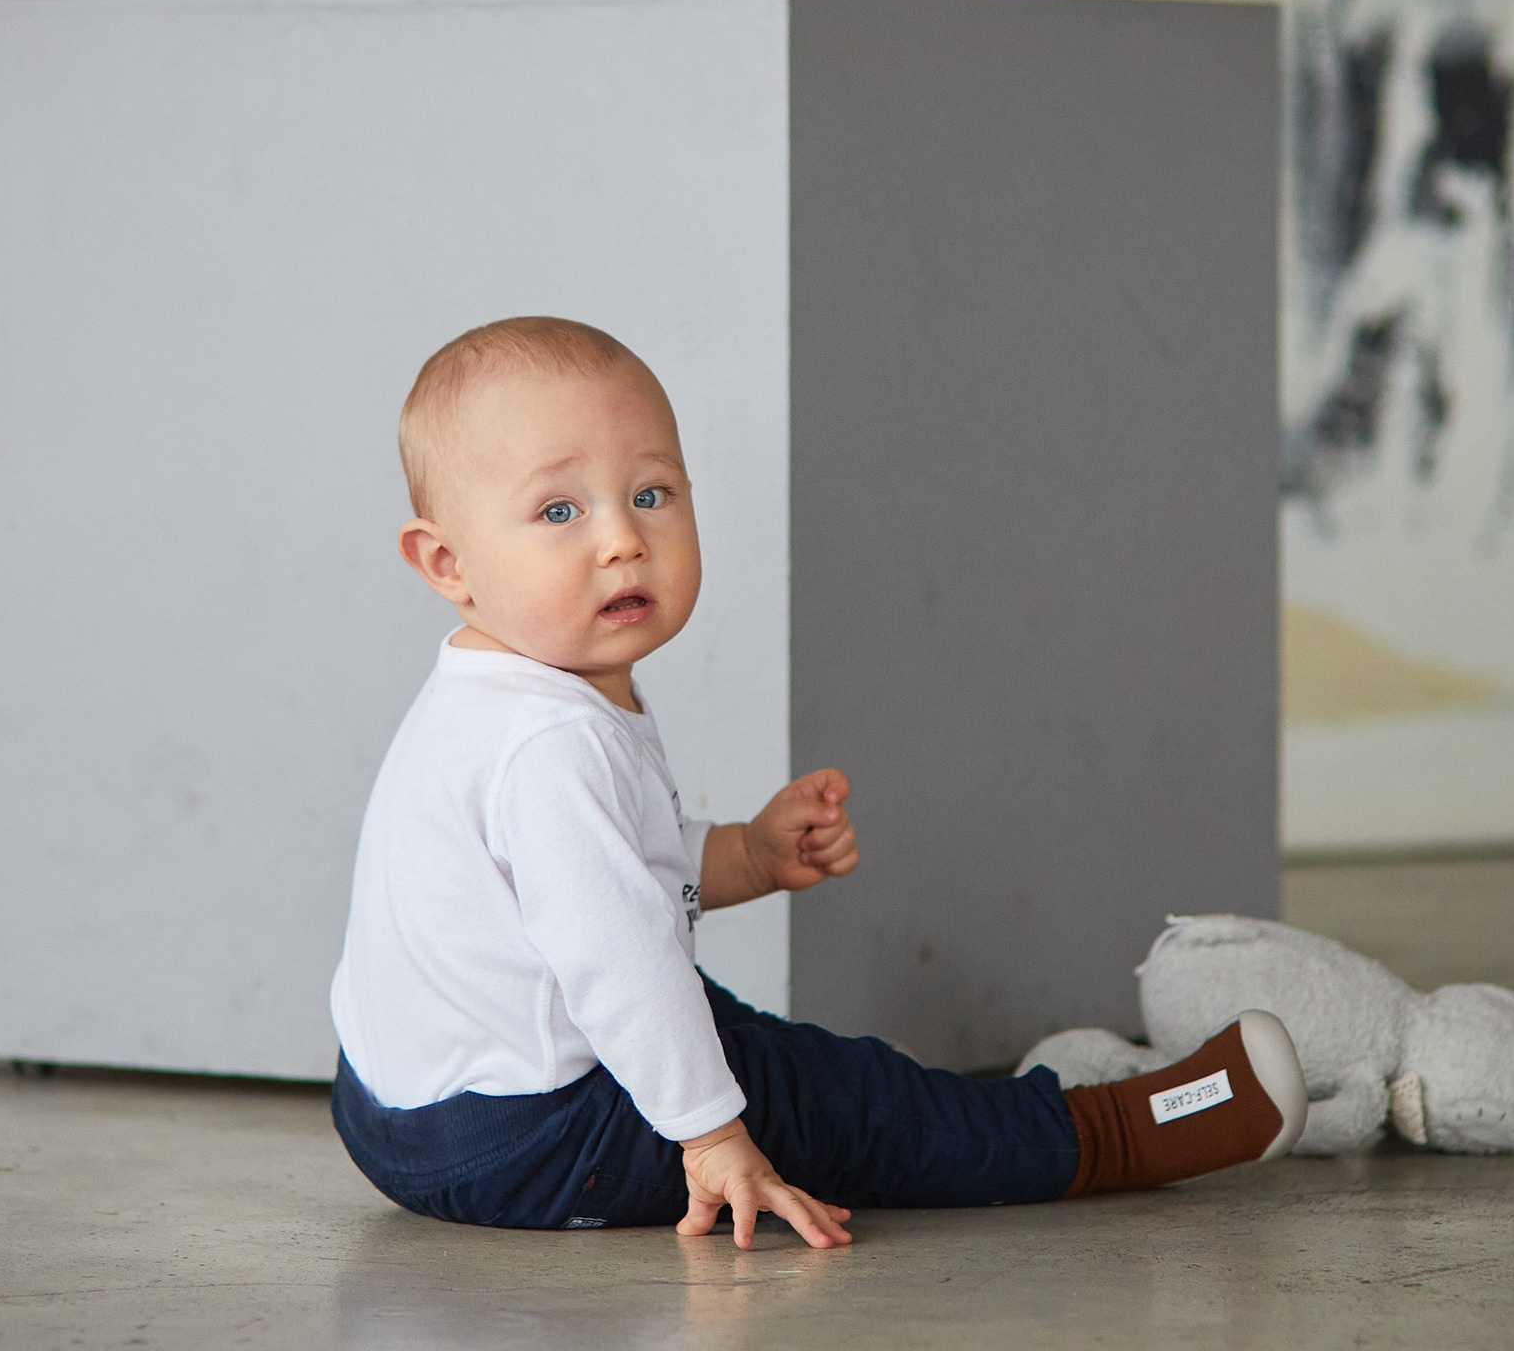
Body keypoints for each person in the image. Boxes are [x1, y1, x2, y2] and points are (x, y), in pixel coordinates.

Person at [328, 316, 1307, 1248]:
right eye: (558, 510)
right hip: (529, 1141)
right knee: (828, 1100)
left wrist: (749, 852)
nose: (621, 538)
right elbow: (618, 956)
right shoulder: (548, 742)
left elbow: (612, 878)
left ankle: (1031, 1105)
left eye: (653, 494)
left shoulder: (503, 692)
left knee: (738, 1036)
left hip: (401, 1109)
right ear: (445, 561)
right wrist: (710, 1137)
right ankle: (1131, 1129)